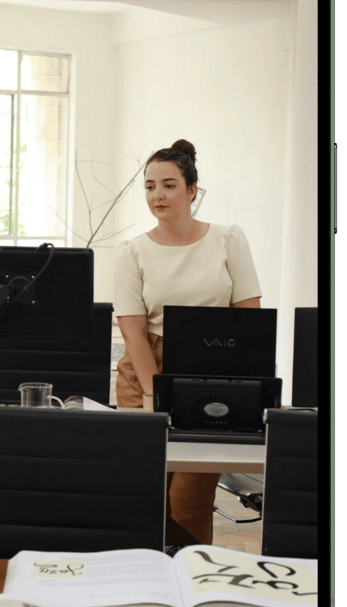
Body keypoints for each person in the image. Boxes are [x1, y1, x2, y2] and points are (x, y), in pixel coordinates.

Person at [113, 139, 261, 545]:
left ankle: (193, 582)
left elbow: (250, 320)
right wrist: (153, 393)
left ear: (192, 190)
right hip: (146, 370)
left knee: (190, 499)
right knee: (145, 495)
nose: (156, 195)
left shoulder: (229, 239)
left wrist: (242, 385)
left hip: (212, 370)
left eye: (168, 185)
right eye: (149, 186)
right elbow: (132, 331)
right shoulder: (133, 251)